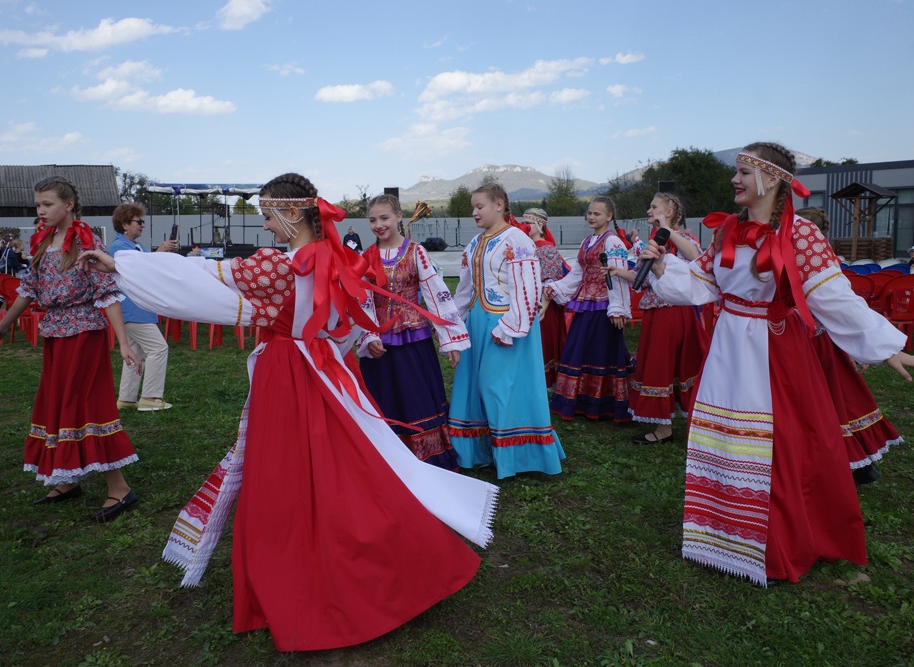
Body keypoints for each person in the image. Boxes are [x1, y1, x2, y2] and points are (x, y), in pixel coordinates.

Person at [78, 173, 498, 651]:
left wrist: (121, 266)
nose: (266, 225)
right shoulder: (334, 258)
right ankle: (384, 553)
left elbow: (199, 280)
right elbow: (342, 322)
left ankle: (312, 577)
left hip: (288, 374)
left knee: (288, 474)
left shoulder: (278, 268)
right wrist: (356, 343)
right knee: (348, 464)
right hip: (326, 368)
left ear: (293, 212)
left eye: (268, 215)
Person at [639, 141, 914, 586]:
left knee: (782, 445)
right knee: (727, 436)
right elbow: (701, 284)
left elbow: (833, 298)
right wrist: (658, 270)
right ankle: (723, 537)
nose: (735, 180)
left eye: (743, 173)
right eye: (736, 172)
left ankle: (778, 544)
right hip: (728, 347)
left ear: (771, 179)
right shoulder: (726, 230)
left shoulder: (800, 235)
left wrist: (888, 346)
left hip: (776, 351)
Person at [0, 176, 142, 523]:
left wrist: (124, 343)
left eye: (47, 204)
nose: (41, 211)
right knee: (56, 401)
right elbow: (28, 290)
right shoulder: (41, 242)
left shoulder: (86, 241)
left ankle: (120, 488)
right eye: (38, 205)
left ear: (68, 205)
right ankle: (67, 480)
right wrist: (1, 327)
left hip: (85, 333)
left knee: (82, 402)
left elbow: (106, 293)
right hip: (55, 334)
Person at [448, 183, 565, 478]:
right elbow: (465, 289)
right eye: (473, 208)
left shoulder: (516, 239)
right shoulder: (475, 242)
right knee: (472, 387)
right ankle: (480, 451)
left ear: (499, 205)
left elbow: (527, 287)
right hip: (477, 323)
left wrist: (511, 326)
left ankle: (515, 456)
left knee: (498, 387)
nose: (474, 212)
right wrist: (454, 324)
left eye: (480, 206)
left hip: (504, 324)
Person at [359, 193, 469, 469]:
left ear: (399, 217)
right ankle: (387, 458)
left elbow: (436, 294)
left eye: (384, 218)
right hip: (380, 345)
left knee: (416, 395)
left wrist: (451, 339)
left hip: (413, 340)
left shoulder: (415, 251)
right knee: (383, 397)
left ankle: (425, 457)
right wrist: (369, 335)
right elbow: (362, 300)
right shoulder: (366, 257)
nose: (378, 225)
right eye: (372, 220)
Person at [797, 207, 902, 484]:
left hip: (817, 342)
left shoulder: (813, 256)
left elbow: (835, 305)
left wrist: (859, 345)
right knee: (839, 400)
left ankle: (853, 464)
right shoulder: (819, 255)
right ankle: (854, 464)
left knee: (834, 402)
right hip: (817, 340)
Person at [605, 193, 708, 443]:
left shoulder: (681, 237)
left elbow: (697, 257)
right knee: (657, 365)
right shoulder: (651, 242)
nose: (649, 210)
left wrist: (667, 230)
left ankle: (674, 427)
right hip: (656, 311)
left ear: (670, 212)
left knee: (670, 365)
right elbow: (642, 279)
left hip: (674, 310)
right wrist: (619, 271)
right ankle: (665, 425)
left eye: (654, 207)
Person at [541, 196, 635, 422]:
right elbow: (577, 274)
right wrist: (555, 287)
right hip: (586, 303)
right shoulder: (587, 241)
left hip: (604, 305)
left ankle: (603, 403)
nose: (591, 217)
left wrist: (618, 308)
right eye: (590, 213)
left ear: (609, 216)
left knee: (601, 352)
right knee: (580, 349)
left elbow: (618, 277)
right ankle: (582, 399)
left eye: (597, 214)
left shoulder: (613, 242)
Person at [109, 203, 178, 412]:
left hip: (137, 308)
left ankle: (127, 398)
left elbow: (150, 269)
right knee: (158, 348)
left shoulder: (135, 247)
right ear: (124, 224)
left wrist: (162, 254)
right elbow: (139, 271)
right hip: (133, 308)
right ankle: (150, 397)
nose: (142, 226)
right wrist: (160, 251)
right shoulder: (118, 248)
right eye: (138, 221)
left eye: (143, 221)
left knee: (135, 353)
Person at [523, 207, 568, 389]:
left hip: (543, 305)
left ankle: (544, 382)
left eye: (528, 223)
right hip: (528, 302)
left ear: (540, 225)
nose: (524, 226)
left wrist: (543, 305)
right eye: (522, 223)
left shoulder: (546, 249)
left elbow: (551, 280)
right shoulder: (525, 247)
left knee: (544, 342)